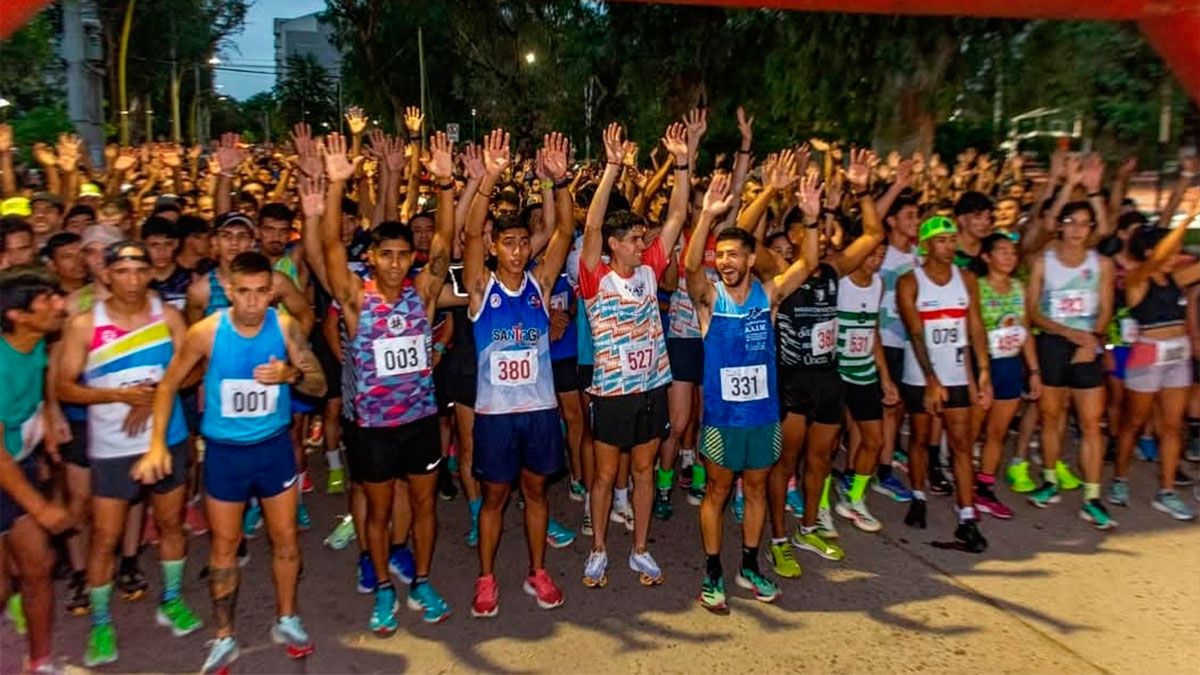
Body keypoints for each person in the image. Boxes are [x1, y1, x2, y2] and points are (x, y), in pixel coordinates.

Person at [135, 251, 327, 673]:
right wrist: (156, 445)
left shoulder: (285, 327)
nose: (253, 302)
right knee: (223, 547)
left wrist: (291, 375)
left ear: (272, 292)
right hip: (225, 454)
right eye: (244, 292)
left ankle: (287, 618)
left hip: (273, 449)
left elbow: (319, 383)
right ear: (228, 290)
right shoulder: (206, 332)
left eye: (261, 292)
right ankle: (224, 636)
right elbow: (168, 386)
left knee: (286, 539)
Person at [314, 132, 455, 633]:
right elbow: (330, 246)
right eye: (387, 254)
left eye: (402, 254)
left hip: (420, 423)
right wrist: (336, 184)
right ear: (371, 257)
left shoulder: (423, 293)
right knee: (376, 512)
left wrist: (445, 184)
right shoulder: (356, 299)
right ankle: (381, 588)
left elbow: (444, 240)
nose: (396, 262)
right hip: (372, 428)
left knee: (423, 505)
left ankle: (422, 580)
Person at [54, 241, 202, 666]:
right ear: (106, 275)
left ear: (149, 273)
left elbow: (195, 367)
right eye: (122, 271)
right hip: (113, 447)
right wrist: (118, 395)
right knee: (105, 537)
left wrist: (155, 394)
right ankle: (101, 624)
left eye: (140, 270)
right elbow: (64, 386)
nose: (133, 280)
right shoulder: (85, 324)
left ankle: (171, 599)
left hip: (168, 436)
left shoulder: (167, 316)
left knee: (171, 523)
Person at [685, 174, 817, 611]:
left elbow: (808, 264)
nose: (725, 261)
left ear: (750, 258)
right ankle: (712, 571)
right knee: (717, 491)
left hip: (762, 417)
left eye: (733, 254)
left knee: (756, 488)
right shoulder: (709, 300)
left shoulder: (769, 296)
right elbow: (690, 268)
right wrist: (706, 217)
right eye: (720, 255)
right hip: (722, 420)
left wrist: (812, 221)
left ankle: (749, 564)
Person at [464, 130, 575, 616]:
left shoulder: (540, 284)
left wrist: (559, 182)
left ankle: (538, 571)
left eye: (522, 242)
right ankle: (486, 578)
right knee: (494, 498)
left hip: (539, 412)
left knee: (535, 492)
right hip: (495, 416)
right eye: (507, 243)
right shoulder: (480, 288)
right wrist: (489, 177)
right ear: (495, 248)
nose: (516, 250)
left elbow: (566, 231)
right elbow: (470, 234)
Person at [578, 119, 693, 589]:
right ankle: (599, 549)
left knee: (644, 471)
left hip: (651, 389)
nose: (642, 245)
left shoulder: (649, 270)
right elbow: (591, 224)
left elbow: (678, 215)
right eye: (633, 239)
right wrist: (612, 167)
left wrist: (682, 163)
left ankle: (640, 550)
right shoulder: (595, 276)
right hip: (611, 394)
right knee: (606, 476)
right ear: (613, 244)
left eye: (644, 238)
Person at [759, 149, 885, 573]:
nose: (828, 235)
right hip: (791, 381)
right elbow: (741, 237)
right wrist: (769, 191)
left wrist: (863, 190)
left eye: (829, 228)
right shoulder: (778, 270)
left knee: (820, 460)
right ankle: (779, 539)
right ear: (796, 232)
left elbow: (873, 234)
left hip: (829, 379)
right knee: (784, 463)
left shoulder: (834, 269)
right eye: (816, 226)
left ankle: (808, 527)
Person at [896, 215, 992, 552]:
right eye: (942, 240)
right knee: (921, 439)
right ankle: (918, 496)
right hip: (920, 374)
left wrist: (983, 369)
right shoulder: (910, 281)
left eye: (952, 240)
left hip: (956, 372)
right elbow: (915, 332)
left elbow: (975, 325)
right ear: (926, 245)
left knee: (962, 444)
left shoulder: (966, 279)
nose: (949, 246)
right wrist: (930, 379)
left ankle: (966, 517)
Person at [1026, 197, 1116, 529]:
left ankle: (1092, 497)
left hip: (1087, 346)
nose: (1077, 230)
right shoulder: (1043, 263)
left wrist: (1091, 340)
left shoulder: (1101, 264)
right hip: (1053, 343)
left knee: (1091, 423)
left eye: (1084, 224)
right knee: (1051, 417)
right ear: (1060, 226)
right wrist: (1067, 333)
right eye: (1071, 222)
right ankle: (1050, 480)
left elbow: (1106, 309)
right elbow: (1032, 311)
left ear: (1091, 229)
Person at [0, 269, 73, 674]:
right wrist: (41, 509)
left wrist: (47, 422)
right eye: (46, 299)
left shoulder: (36, 341)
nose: (60, 304)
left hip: (18, 464)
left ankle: (40, 661)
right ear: (17, 315)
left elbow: (38, 386)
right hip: (4, 468)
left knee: (38, 567)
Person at [1109, 196, 1200, 520]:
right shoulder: (1136, 279)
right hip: (1148, 355)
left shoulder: (1176, 279)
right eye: (1169, 251)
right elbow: (1161, 256)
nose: (1176, 255)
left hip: (1178, 355)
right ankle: (1120, 479)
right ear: (1150, 252)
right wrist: (1187, 218)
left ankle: (1167, 490)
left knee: (1173, 426)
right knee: (1133, 423)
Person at [970, 233, 1042, 520]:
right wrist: (981, 372)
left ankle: (985, 488)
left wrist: (1034, 371)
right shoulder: (976, 287)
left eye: (1013, 252)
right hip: (982, 365)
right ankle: (963, 486)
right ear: (986, 257)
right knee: (971, 431)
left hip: (1010, 366)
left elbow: (1025, 331)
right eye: (1002, 251)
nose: (1010, 257)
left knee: (997, 433)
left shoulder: (1018, 288)